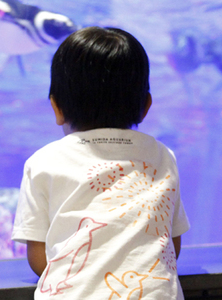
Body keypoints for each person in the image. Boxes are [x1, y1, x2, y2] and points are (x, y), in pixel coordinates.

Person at [12, 26, 190, 299]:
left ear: (56, 107)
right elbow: (171, 245)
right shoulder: (162, 156)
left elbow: (39, 257)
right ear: (145, 106)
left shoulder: (43, 162)